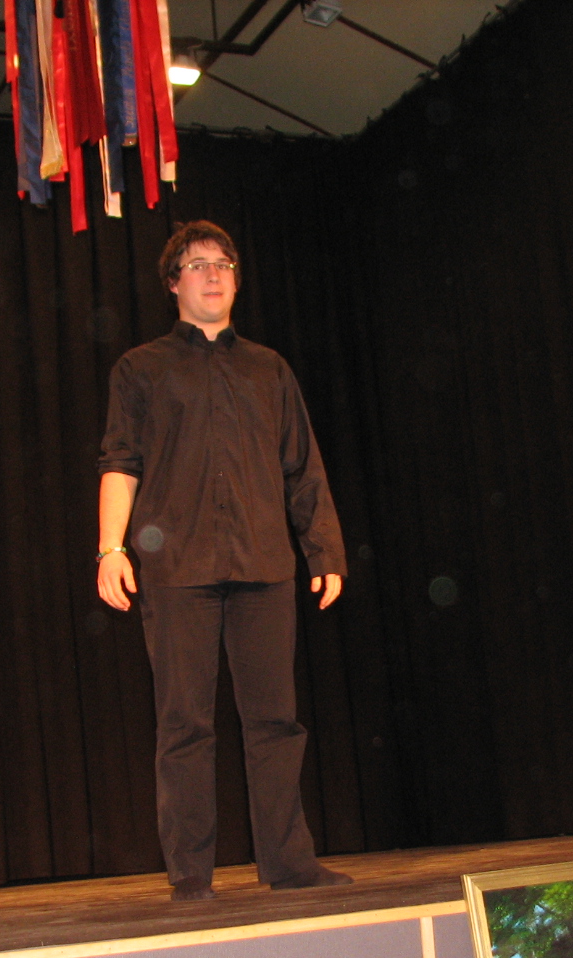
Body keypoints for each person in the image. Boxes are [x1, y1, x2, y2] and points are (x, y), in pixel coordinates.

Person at [95, 220, 353, 900]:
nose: (213, 274)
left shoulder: (269, 369)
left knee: (276, 720)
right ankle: (190, 874)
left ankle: (289, 864)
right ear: (173, 283)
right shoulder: (141, 369)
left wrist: (324, 549)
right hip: (177, 568)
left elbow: (303, 468)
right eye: (197, 264)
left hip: (264, 564)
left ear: (237, 281)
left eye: (224, 264)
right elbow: (120, 462)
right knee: (185, 723)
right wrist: (110, 548)